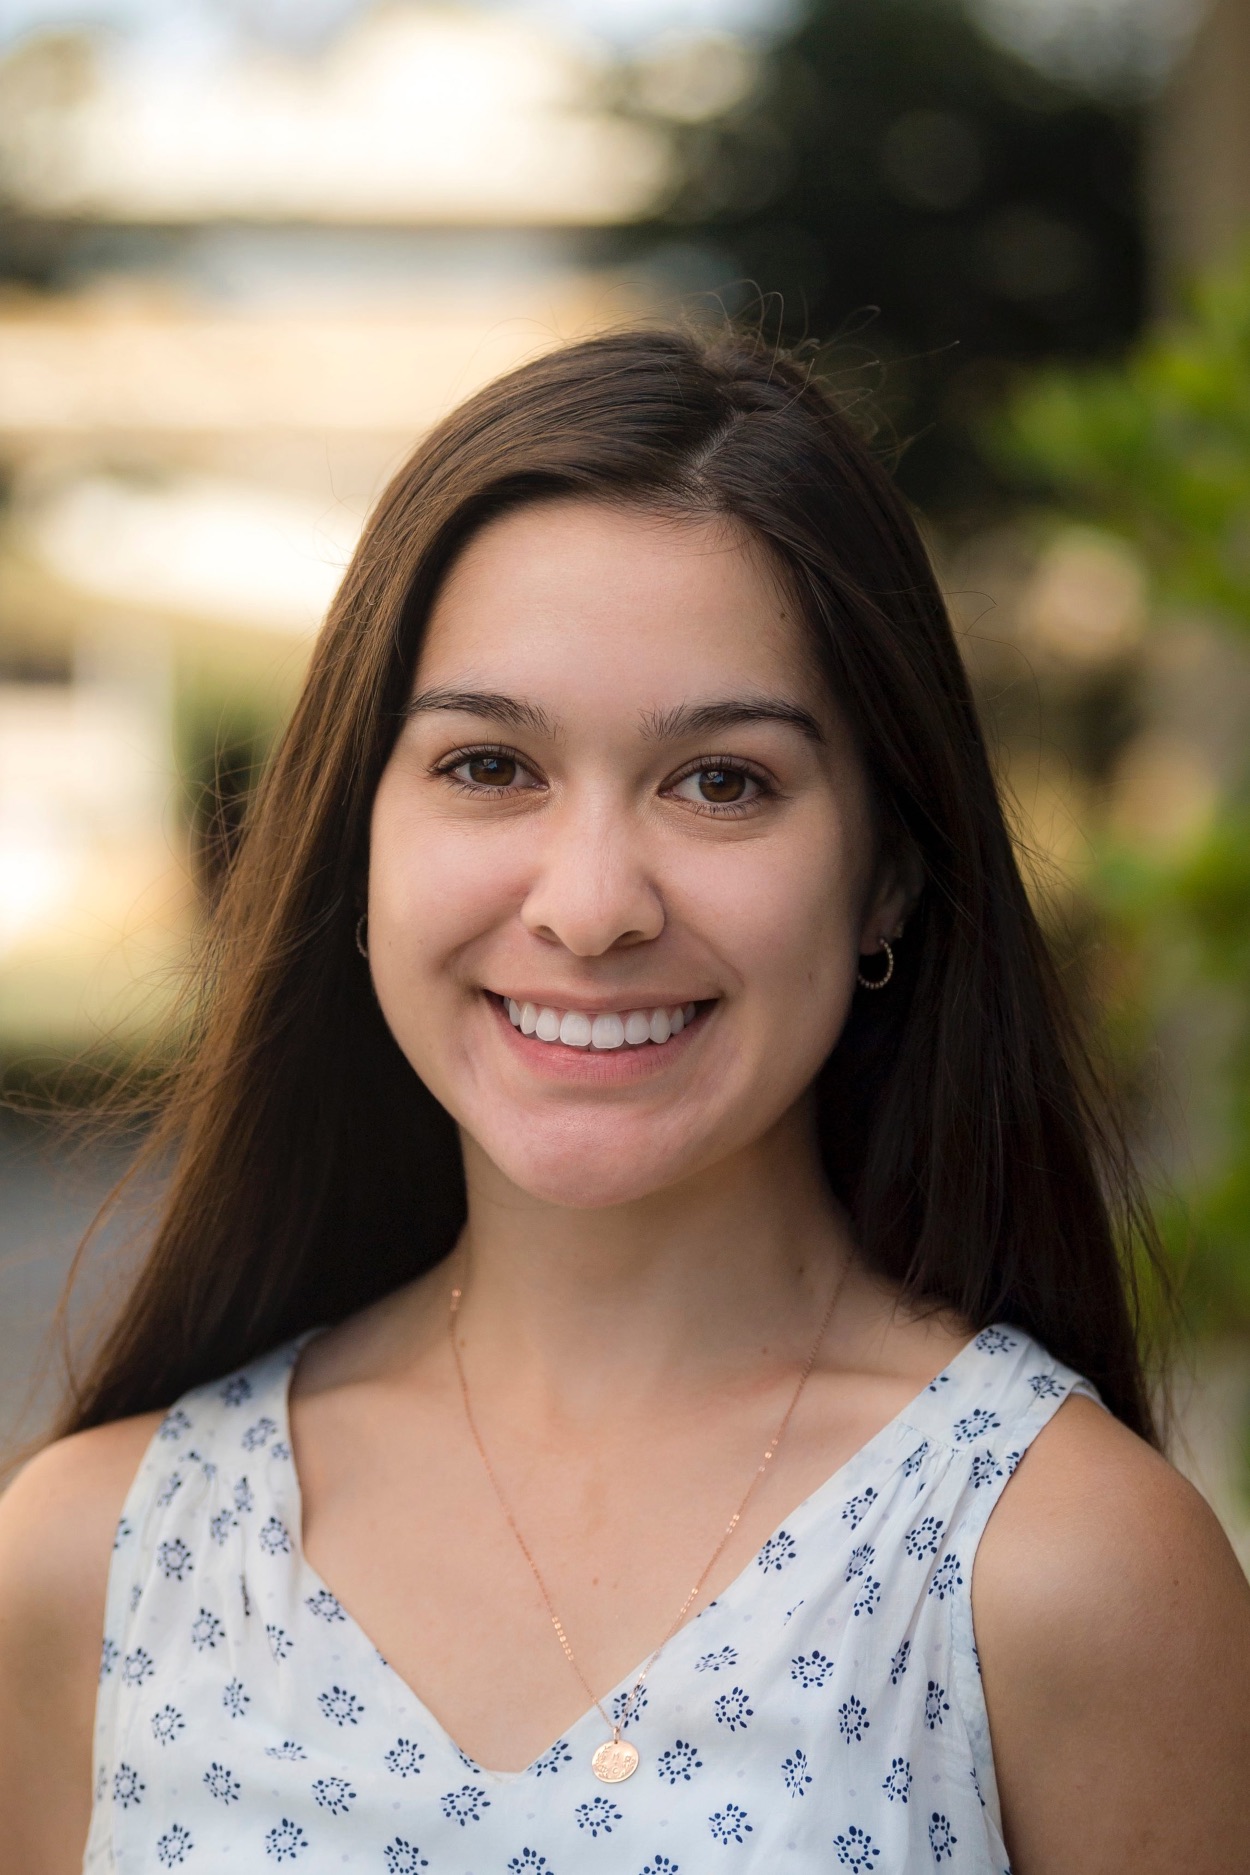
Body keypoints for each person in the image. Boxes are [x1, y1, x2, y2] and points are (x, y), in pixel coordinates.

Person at [1, 329, 1247, 1875]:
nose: (590, 907)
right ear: (355, 842)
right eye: (487, 766)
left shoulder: (1058, 1574)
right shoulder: (97, 1563)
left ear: (889, 875)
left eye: (721, 781)